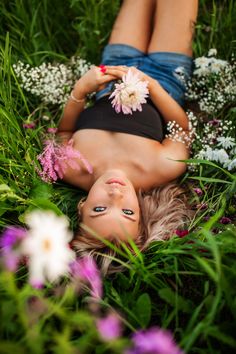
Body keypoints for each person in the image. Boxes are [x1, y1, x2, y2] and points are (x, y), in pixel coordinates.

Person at [57, 0, 198, 273]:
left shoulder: (69, 166)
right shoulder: (159, 169)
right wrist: (154, 86)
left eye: (100, 209)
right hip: (167, 76)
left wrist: (81, 89)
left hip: (114, 69)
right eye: (128, 212)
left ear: (82, 206)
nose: (115, 194)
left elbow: (63, 131)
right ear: (141, 215)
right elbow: (182, 130)